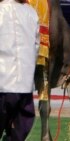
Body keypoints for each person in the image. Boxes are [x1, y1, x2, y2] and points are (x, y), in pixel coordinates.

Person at [0, 0, 39, 140]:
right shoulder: (31, 12)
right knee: (18, 135)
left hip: (2, 83)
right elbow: (36, 47)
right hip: (24, 85)